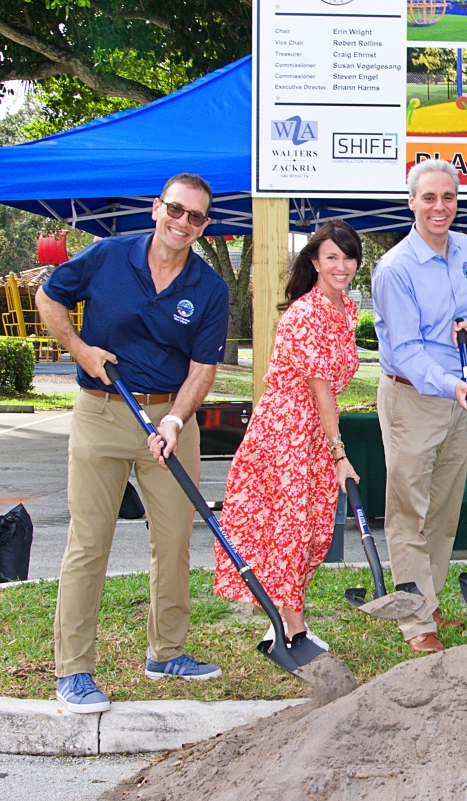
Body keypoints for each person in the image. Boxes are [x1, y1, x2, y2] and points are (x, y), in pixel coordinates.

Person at [35, 173, 229, 714]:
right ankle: (74, 670)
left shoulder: (209, 288)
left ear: (204, 226)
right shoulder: (107, 257)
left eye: (195, 217)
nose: (182, 222)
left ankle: (167, 651)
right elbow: (47, 297)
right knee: (89, 542)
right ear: (156, 209)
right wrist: (80, 349)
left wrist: (176, 421)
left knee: (173, 541)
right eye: (175, 209)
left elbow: (203, 368)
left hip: (170, 417)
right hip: (103, 411)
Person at [213, 220, 362, 651]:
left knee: (316, 530)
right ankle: (290, 628)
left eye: (348, 257)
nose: (341, 265)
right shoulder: (304, 314)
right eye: (331, 256)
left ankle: (282, 616)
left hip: (315, 431)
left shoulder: (346, 310)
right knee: (293, 529)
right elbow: (319, 390)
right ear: (314, 261)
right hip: (287, 431)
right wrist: (339, 455)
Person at [373, 159, 467, 654]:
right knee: (408, 510)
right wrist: (451, 384)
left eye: (448, 197)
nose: (439, 207)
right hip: (414, 396)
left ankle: (430, 597)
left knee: (444, 510)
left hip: (457, 396)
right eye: (429, 198)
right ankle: (415, 621)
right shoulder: (395, 268)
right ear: (412, 203)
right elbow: (404, 349)